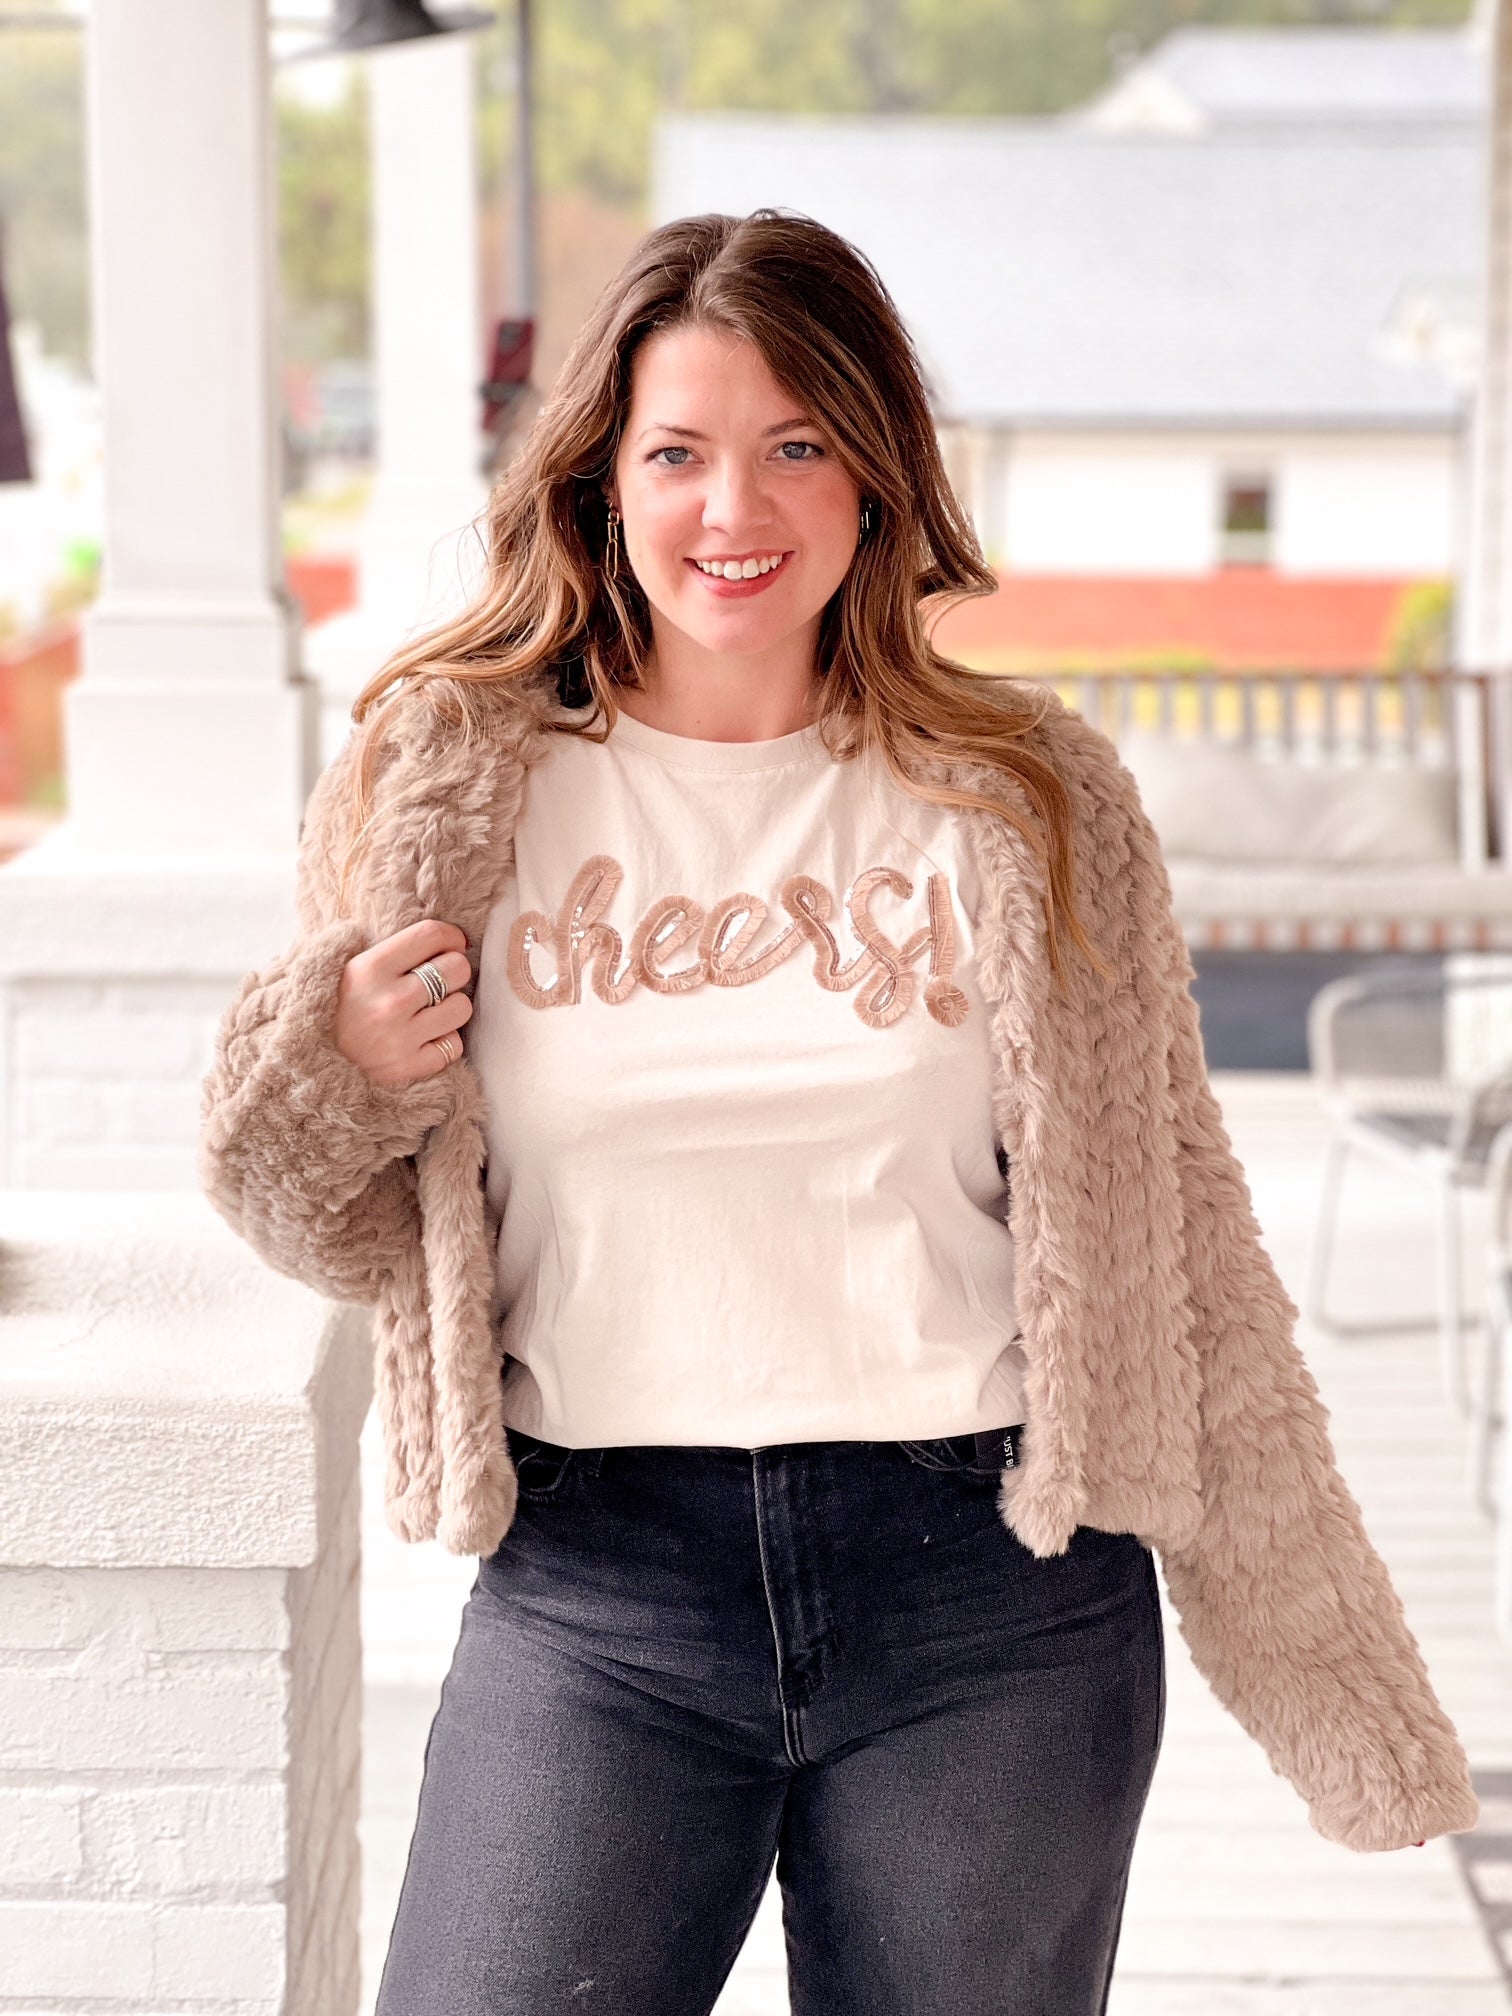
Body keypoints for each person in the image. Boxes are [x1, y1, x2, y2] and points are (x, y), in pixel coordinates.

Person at [199, 209, 1474, 2015]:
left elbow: (1181, 1243)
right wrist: (337, 1065)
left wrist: (1329, 1673)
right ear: (600, 485)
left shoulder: (1027, 800)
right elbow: (311, 1217)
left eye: (799, 445)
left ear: (876, 476)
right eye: (682, 453)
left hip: (995, 1599)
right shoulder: (448, 782)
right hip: (598, 1589)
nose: (740, 509)